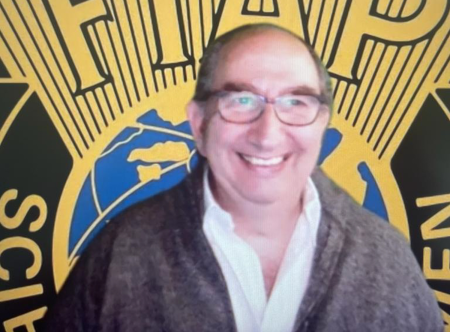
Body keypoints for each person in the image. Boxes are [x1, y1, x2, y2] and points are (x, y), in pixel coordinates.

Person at [43, 24, 443, 331]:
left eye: (295, 101)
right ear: (199, 124)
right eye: (241, 100)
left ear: (322, 124)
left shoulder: (388, 262)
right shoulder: (119, 255)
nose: (267, 134)